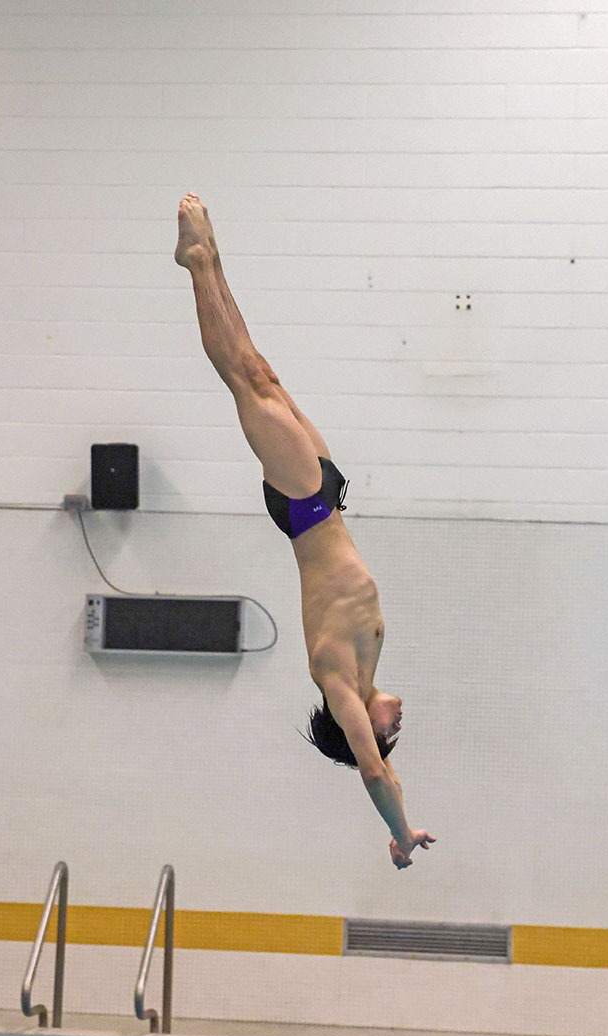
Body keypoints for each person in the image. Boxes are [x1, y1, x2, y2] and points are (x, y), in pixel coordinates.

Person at [173, 194, 436, 869]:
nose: (395, 730)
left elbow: (375, 773)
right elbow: (385, 769)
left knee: (243, 382)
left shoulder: (338, 682)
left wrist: (402, 833)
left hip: (304, 507)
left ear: (358, 730)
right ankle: (209, 261)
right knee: (261, 372)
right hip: (325, 498)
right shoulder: (363, 672)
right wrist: (400, 820)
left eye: (385, 736)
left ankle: (197, 266)